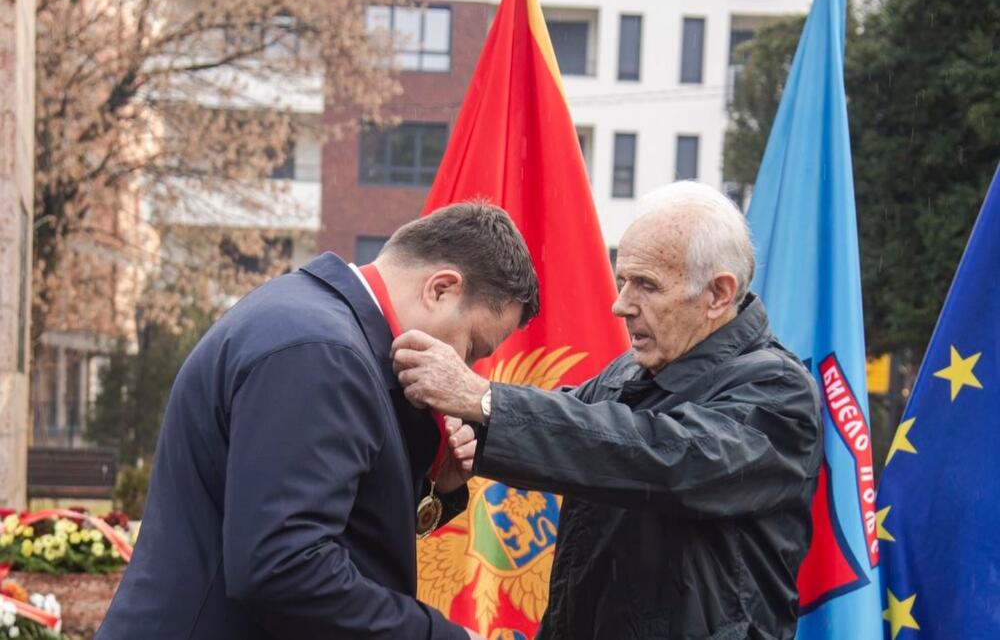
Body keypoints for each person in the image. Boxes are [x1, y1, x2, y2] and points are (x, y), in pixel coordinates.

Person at [393, 182, 823, 639]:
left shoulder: (779, 391)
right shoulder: (631, 372)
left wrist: (484, 401)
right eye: (623, 281)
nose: (620, 305)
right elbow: (568, 431)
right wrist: (466, 439)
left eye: (646, 285)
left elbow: (664, 457)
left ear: (718, 293)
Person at [96, 203, 539, 640]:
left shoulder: (319, 327)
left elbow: (333, 528)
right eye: (472, 347)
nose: (465, 370)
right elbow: (284, 567)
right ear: (440, 289)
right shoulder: (322, 353)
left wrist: (434, 487)